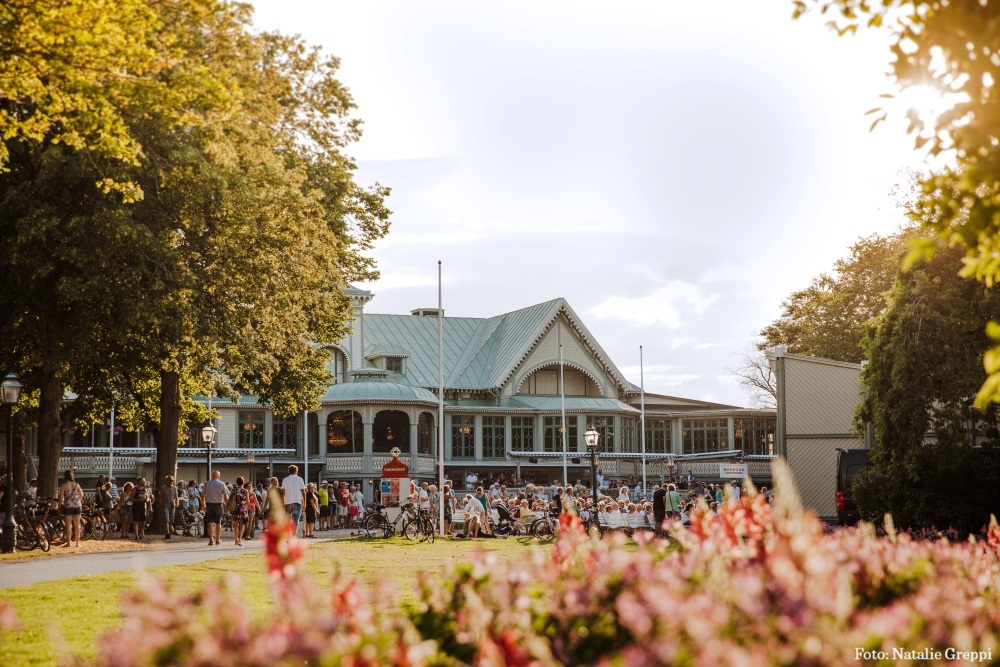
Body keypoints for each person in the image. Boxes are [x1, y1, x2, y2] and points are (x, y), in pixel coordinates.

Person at [204, 470, 229, 546]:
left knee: (210, 522)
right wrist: (228, 506)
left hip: (209, 504)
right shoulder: (222, 484)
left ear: (212, 476)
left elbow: (202, 496)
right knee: (218, 522)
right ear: (219, 476)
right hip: (218, 505)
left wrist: (203, 505)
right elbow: (226, 496)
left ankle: (211, 539)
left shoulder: (207, 484)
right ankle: (217, 539)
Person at [59, 470, 84, 548]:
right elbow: (81, 495)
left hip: (68, 506)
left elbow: (61, 498)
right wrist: (77, 499)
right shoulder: (77, 485)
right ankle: (77, 543)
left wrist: (60, 505)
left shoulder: (63, 486)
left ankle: (68, 543)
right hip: (77, 505)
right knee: (77, 525)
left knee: (68, 525)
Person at [281, 465, 306, 530]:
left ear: (289, 471)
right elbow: (303, 492)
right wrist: (304, 502)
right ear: (296, 471)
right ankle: (293, 535)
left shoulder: (285, 480)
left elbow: (283, 493)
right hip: (297, 502)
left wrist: (283, 503)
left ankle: (288, 535)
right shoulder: (300, 479)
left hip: (287, 502)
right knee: (295, 521)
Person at [230, 476, 249, 546]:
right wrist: (246, 507)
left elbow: (230, 499)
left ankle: (236, 539)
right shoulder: (245, 491)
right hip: (243, 508)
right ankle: (240, 539)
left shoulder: (233, 490)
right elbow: (248, 501)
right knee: (242, 524)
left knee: (236, 525)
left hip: (235, 508)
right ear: (243, 482)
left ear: (236, 482)